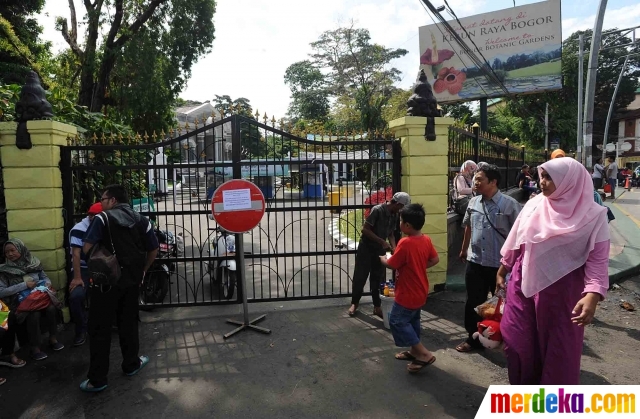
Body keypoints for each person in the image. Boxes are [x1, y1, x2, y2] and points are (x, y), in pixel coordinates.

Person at [498, 158, 609, 384]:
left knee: (559, 352)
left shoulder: (595, 215)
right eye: (542, 176)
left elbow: (598, 260)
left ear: (569, 181)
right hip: (523, 283)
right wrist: (503, 268)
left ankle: (553, 405)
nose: (543, 182)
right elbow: (518, 241)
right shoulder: (534, 205)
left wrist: (593, 295)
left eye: (549, 178)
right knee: (516, 342)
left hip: (564, 292)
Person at [80, 185, 159, 392]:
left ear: (113, 200)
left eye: (103, 199)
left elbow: (86, 248)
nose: (102, 202)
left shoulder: (102, 219)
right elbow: (154, 249)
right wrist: (142, 270)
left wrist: (101, 265)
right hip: (131, 282)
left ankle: (98, 380)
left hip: (105, 284)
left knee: (100, 330)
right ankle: (131, 365)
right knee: (129, 324)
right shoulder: (142, 220)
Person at [456, 164, 521, 353]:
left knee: (504, 305)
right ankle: (473, 338)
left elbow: (519, 235)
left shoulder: (510, 205)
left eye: (479, 179)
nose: (475, 183)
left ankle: (507, 342)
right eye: (475, 179)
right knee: (473, 302)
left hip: (500, 266)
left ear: (493, 182)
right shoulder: (473, 202)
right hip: (475, 261)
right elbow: (467, 226)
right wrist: (463, 249)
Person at [379, 204, 439, 373]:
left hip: (407, 292)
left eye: (400, 220)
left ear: (407, 226)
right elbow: (434, 260)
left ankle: (423, 353)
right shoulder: (425, 239)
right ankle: (414, 351)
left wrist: (382, 258)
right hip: (420, 290)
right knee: (413, 321)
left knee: (397, 321)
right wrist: (417, 266)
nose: (399, 223)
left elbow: (392, 264)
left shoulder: (405, 243)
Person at [347, 192, 411, 318]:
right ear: (397, 203)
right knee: (360, 276)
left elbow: (391, 233)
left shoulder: (394, 214)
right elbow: (365, 229)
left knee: (378, 278)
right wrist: (381, 241)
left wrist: (394, 247)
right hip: (366, 247)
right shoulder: (377, 210)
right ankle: (354, 303)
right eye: (401, 207)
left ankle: (377, 307)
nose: (401, 210)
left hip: (379, 250)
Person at [0, 239, 63, 361]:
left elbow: (44, 277)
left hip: (38, 298)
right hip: (19, 303)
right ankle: (35, 348)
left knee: (51, 308)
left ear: (21, 250)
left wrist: (48, 284)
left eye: (13, 250)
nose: (10, 254)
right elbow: (2, 291)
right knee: (33, 314)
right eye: (7, 252)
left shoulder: (34, 264)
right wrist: (24, 285)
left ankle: (53, 338)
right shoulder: (4, 271)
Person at [68, 202, 103, 347]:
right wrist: (77, 278)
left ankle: (107, 323)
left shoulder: (105, 226)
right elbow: (76, 255)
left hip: (102, 266)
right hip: (82, 268)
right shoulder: (79, 229)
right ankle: (81, 329)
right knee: (76, 296)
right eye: (91, 215)